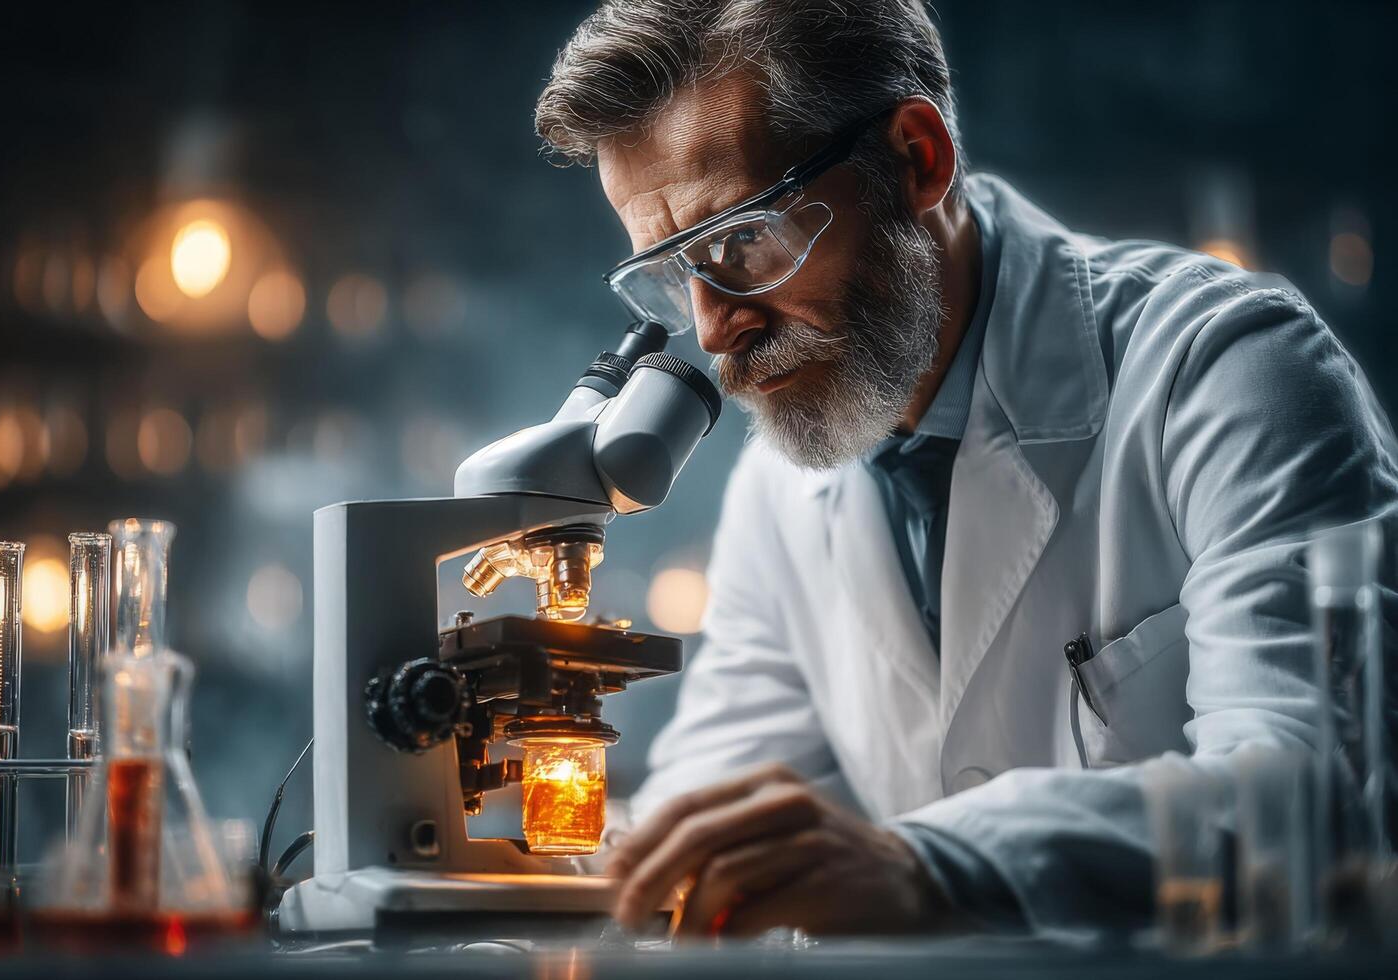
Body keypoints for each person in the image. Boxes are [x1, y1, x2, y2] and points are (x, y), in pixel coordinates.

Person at [534, 0, 1398, 938]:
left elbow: (1313, 792)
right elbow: (702, 828)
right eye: (671, 273)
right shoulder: (778, 495)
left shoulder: (1228, 370)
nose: (711, 330)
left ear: (918, 161)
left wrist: (933, 863)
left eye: (741, 240)